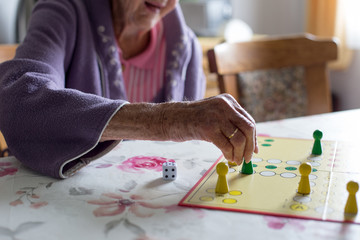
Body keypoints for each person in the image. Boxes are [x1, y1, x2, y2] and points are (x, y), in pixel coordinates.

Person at [0, 0, 258, 179]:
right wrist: (168, 120)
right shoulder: (63, 11)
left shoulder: (186, 48)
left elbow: (185, 159)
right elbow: (17, 102)